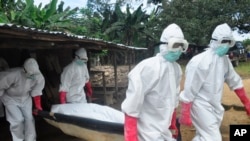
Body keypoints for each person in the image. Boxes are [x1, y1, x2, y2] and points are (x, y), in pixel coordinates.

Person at [179, 23, 250, 141]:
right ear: (215, 41)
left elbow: (235, 81)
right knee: (213, 138)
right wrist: (185, 112)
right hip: (200, 105)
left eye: (229, 42)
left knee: (205, 136)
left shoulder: (225, 61)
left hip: (215, 105)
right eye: (224, 41)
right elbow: (190, 89)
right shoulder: (200, 62)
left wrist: (246, 103)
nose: (226, 45)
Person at [121, 23, 188, 141]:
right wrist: (131, 138)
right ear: (164, 45)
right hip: (146, 133)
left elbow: (173, 102)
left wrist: (173, 126)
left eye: (181, 46)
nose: (178, 50)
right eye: (175, 45)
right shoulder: (148, 68)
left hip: (164, 131)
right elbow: (131, 107)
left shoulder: (177, 69)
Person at [0, 58, 44, 141]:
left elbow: (37, 91)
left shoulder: (38, 76)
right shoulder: (13, 74)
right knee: (18, 120)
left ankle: (30, 139)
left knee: (29, 119)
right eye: (30, 74)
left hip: (25, 98)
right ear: (24, 69)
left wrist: (38, 106)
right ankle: (18, 139)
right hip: (10, 98)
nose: (32, 76)